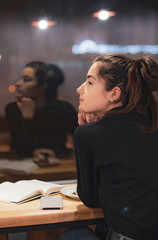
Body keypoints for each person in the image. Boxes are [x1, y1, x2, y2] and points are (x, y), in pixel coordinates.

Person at [61, 53, 158, 240]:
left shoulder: (89, 135)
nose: (79, 89)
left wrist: (86, 131)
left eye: (89, 82)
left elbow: (89, 199)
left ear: (114, 94)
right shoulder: (151, 124)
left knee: (74, 233)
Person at [5, 61, 78, 159]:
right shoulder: (11, 109)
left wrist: (56, 152)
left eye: (26, 80)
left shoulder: (63, 109)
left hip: (58, 167)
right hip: (24, 170)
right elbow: (21, 150)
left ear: (43, 86)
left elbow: (81, 142)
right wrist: (27, 117)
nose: (18, 83)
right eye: (20, 78)